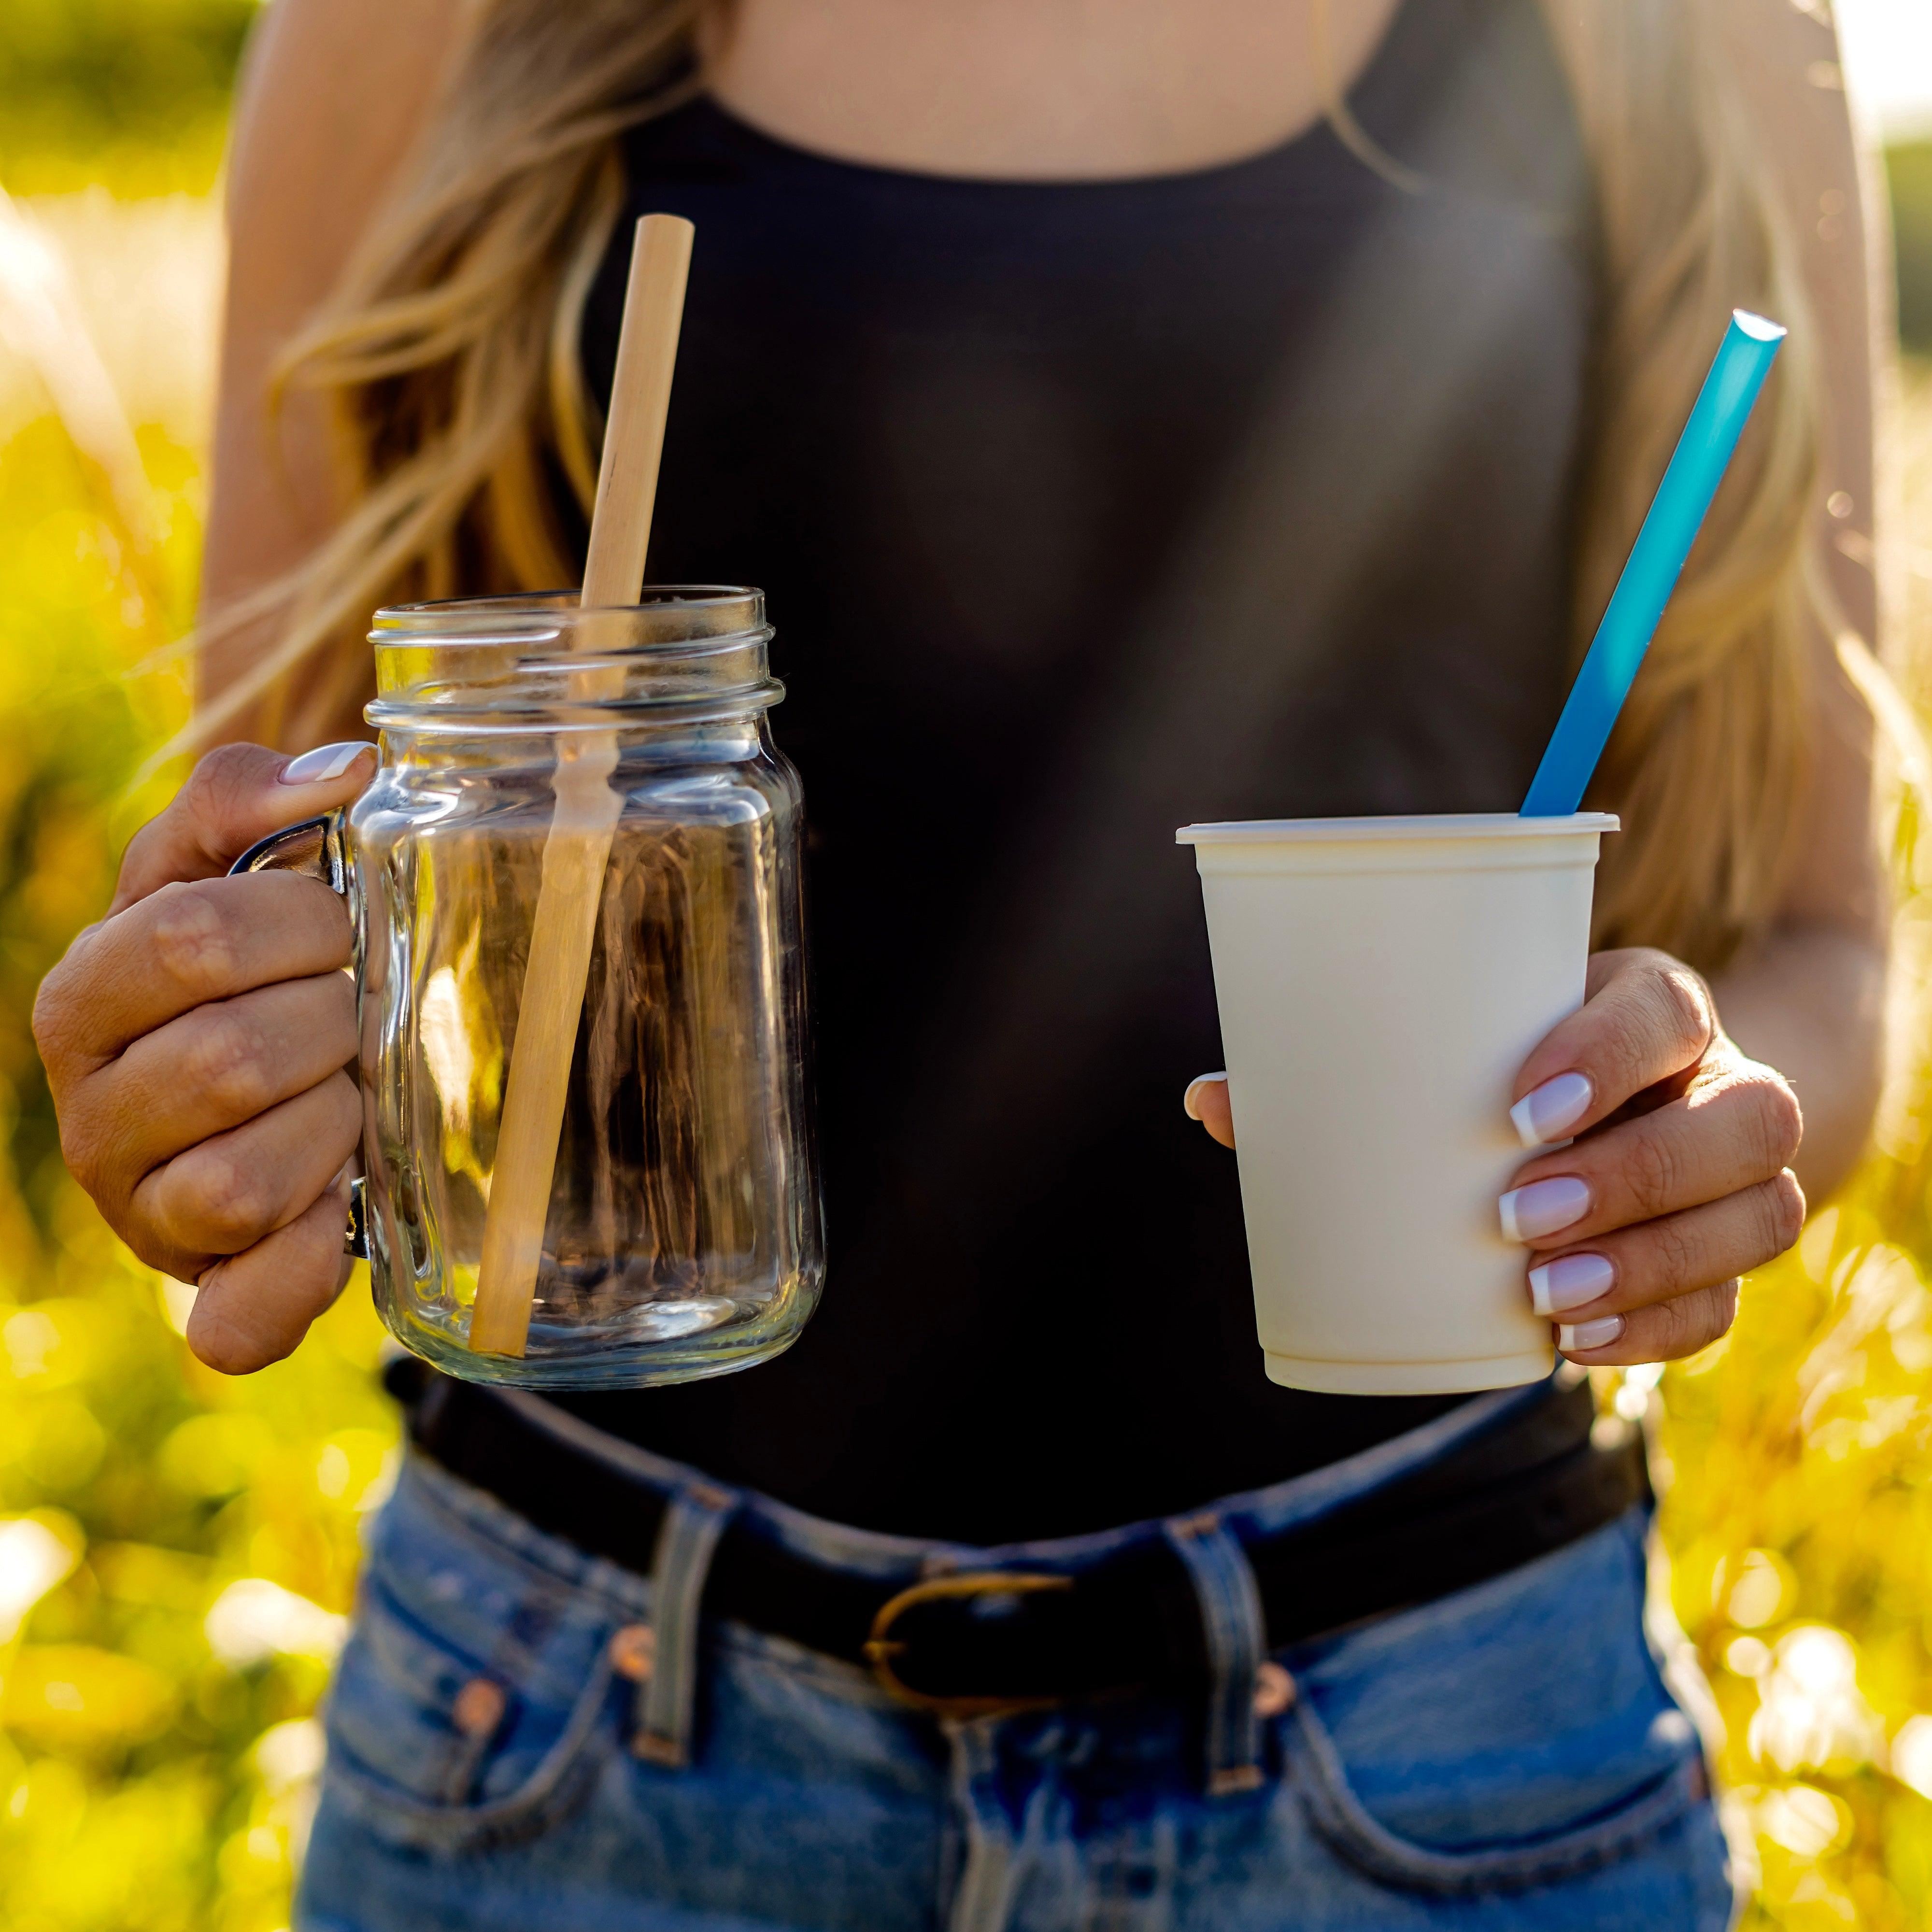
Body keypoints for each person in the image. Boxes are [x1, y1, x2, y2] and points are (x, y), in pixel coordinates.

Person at [31, 0, 1889, 1925]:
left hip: (1447, 1733)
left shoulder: (1689, 26)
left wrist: (1678, 1139)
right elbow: (264, 869)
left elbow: (1826, 953)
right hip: (583, 1737)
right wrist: (207, 1073)